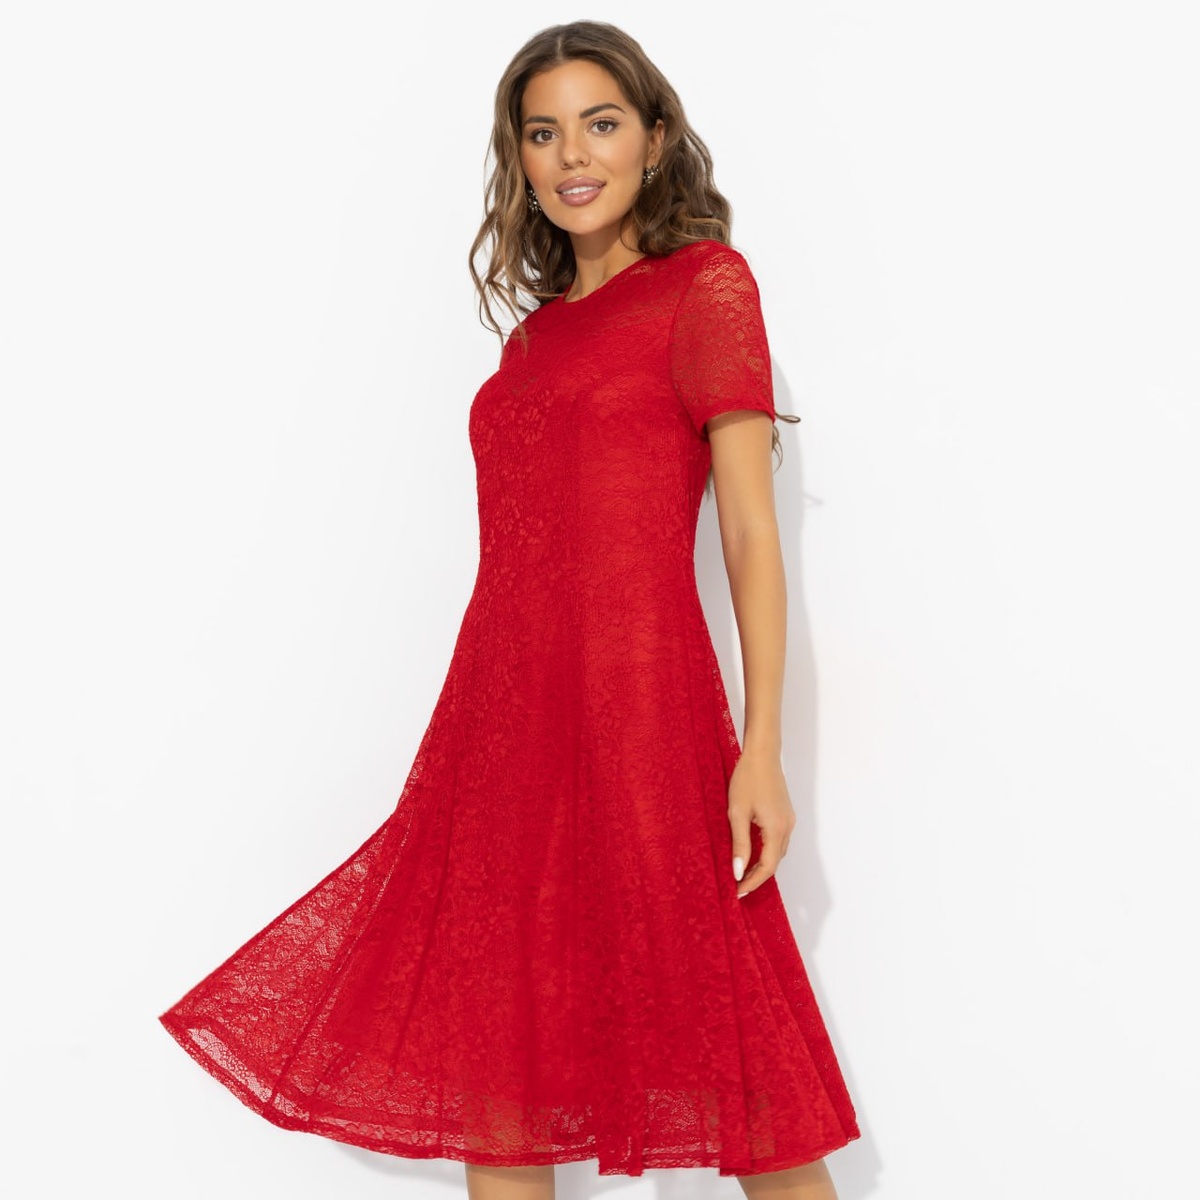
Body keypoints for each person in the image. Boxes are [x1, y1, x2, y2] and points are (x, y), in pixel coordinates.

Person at [158, 19, 861, 1200]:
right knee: (506, 1072)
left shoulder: (705, 288)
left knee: (745, 1070)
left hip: (645, 715)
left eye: (602, 123)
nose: (572, 154)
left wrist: (762, 749)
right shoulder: (532, 339)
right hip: (501, 727)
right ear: (519, 157)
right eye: (543, 132)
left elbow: (749, 533)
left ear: (656, 139)